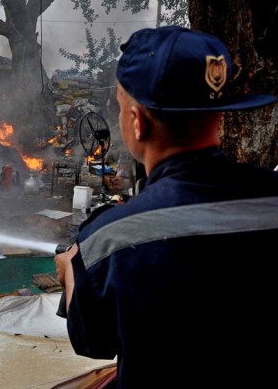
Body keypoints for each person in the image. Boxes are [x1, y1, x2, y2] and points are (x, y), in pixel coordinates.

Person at [54, 25, 278, 388]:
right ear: (219, 115)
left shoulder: (106, 242)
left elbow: (93, 342)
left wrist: (72, 274)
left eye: (120, 107)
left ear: (137, 122)